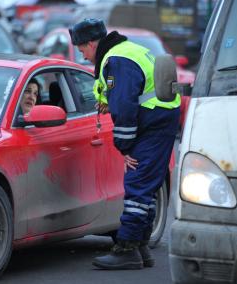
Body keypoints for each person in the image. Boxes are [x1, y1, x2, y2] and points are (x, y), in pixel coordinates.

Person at [69, 19, 180, 270]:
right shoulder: (127, 50)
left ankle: (127, 248)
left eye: (82, 49)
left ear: (91, 43)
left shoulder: (116, 60)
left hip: (152, 122)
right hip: (160, 118)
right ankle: (140, 248)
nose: (83, 56)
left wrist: (125, 147)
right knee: (146, 186)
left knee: (138, 185)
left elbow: (124, 106)